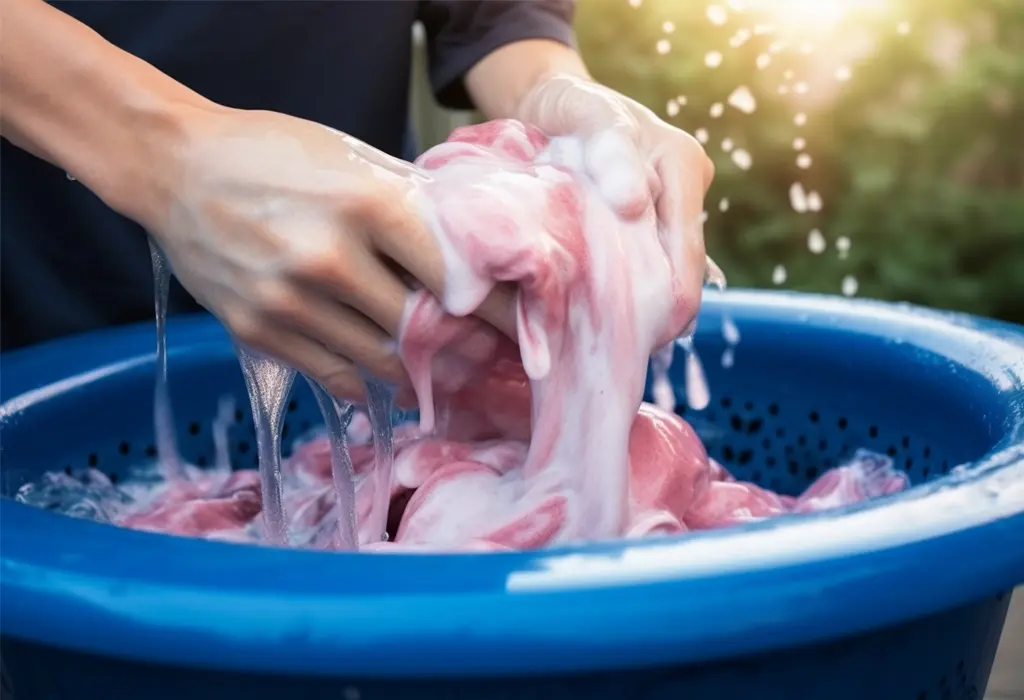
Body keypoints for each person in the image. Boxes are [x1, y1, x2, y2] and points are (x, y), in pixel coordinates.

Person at [0, 0, 713, 400]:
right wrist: (159, 151)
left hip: (368, 338)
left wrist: (557, 101)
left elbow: (492, 17)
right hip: (33, 303)